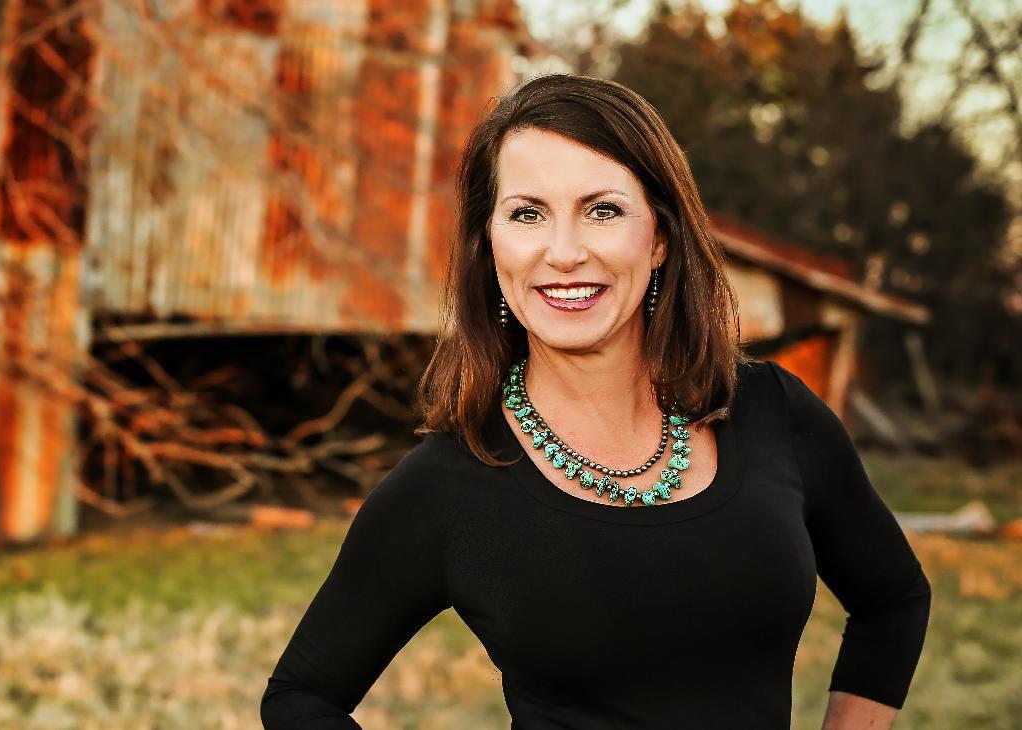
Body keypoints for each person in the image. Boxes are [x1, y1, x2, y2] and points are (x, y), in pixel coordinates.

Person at [260, 73, 931, 729]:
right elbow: (301, 696)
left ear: (660, 237)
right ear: (490, 245)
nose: (563, 253)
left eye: (602, 210)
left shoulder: (771, 411)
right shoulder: (450, 485)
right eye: (528, 214)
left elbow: (893, 599)